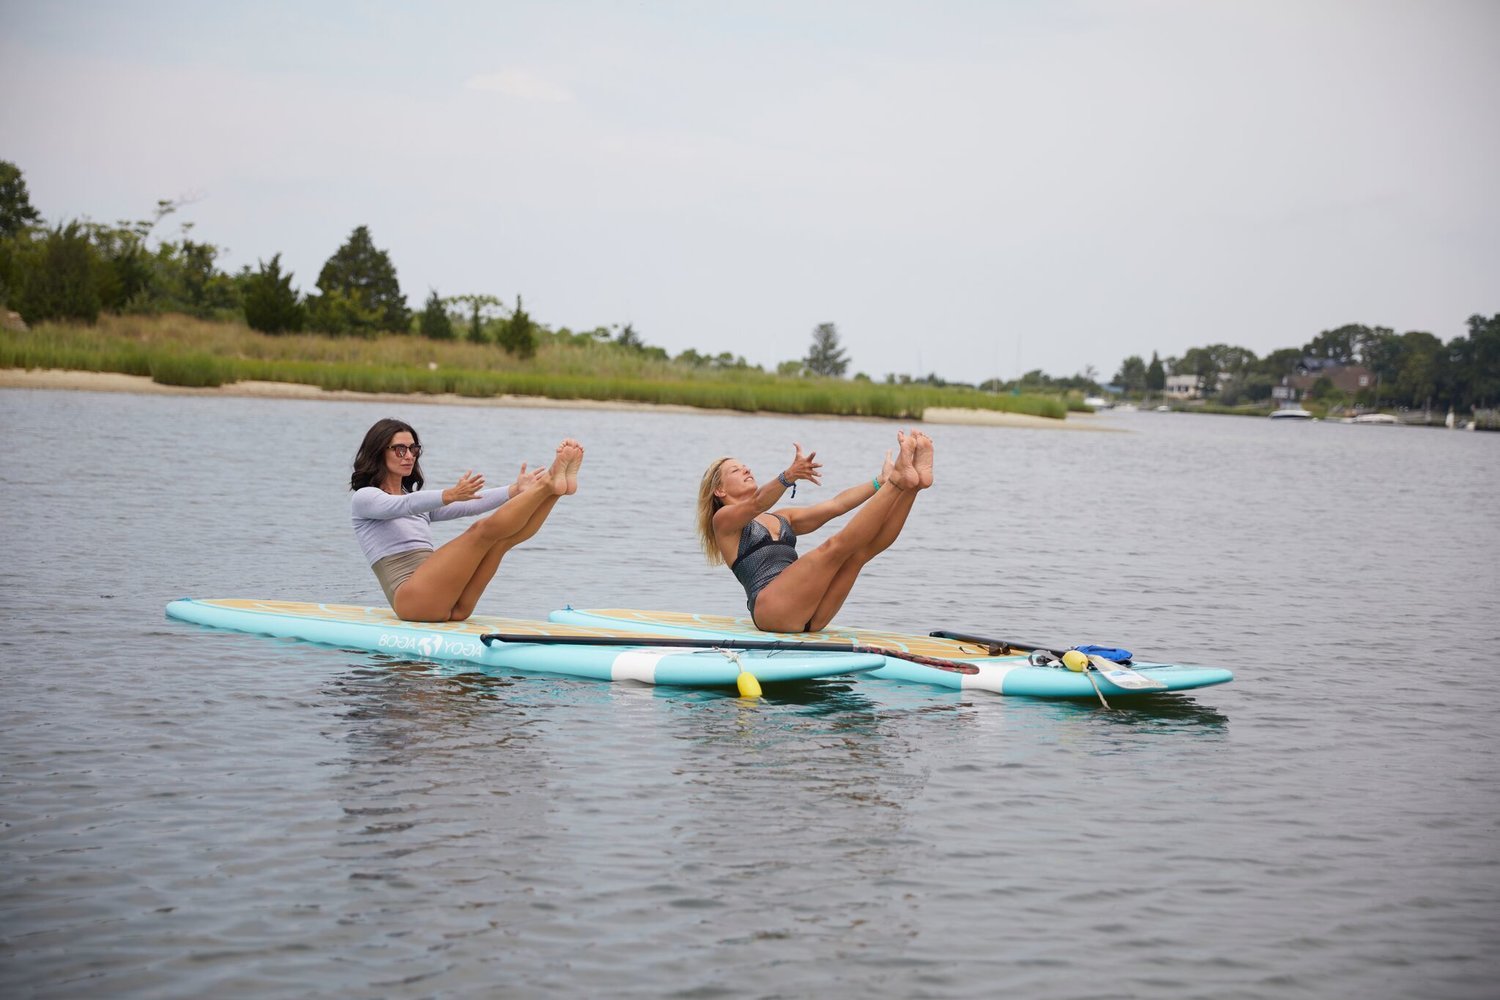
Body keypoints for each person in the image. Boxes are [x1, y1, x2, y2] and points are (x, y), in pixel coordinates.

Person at [696, 430, 933, 633]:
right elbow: (757, 503)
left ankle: (910, 486)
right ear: (720, 491)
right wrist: (788, 476)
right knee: (833, 548)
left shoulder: (782, 517)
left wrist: (880, 481)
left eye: (744, 466)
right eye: (735, 470)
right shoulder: (723, 522)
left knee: (858, 555)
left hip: (810, 613)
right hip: (771, 610)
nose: (746, 469)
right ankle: (899, 481)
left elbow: (836, 505)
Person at [350, 417, 582, 622]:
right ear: (378, 452)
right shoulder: (365, 498)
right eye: (400, 450)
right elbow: (403, 505)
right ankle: (548, 483)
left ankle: (555, 491)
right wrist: (448, 494)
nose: (409, 456)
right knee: (481, 532)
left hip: (449, 602)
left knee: (501, 542)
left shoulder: (416, 502)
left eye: (413, 449)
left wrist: (513, 490)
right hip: (412, 600)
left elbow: (469, 504)